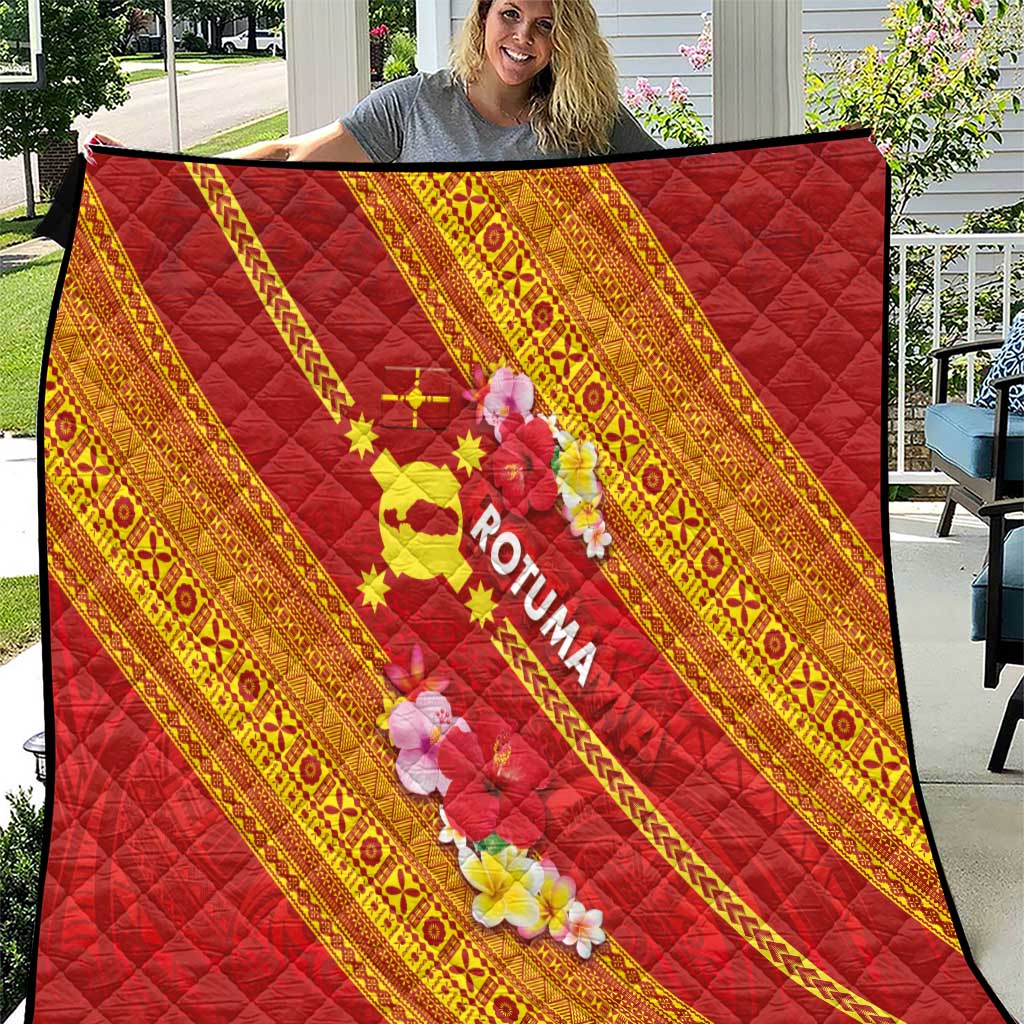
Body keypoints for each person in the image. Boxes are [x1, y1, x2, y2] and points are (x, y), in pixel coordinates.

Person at [87, 0, 660, 164]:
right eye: (510, 14)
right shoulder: (415, 104)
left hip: (548, 347)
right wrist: (153, 165)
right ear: (483, 16)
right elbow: (293, 152)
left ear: (564, 40)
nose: (522, 37)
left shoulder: (588, 117)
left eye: (544, 26)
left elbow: (681, 193)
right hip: (429, 334)